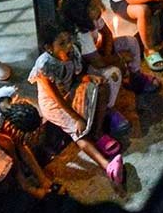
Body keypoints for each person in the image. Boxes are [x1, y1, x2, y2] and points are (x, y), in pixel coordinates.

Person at [28, 21, 124, 188]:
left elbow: (77, 76)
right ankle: (107, 166)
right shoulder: (45, 65)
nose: (68, 45)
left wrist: (89, 78)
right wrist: (76, 117)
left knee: (102, 88)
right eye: (62, 43)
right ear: (49, 47)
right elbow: (55, 96)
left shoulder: (73, 52)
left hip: (70, 90)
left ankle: (98, 133)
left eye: (68, 40)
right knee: (77, 129)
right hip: (54, 104)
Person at [59, 0, 160, 97]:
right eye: (93, 7)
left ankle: (135, 78)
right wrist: (119, 59)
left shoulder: (92, 18)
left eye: (98, 4)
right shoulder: (81, 35)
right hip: (86, 68)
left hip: (97, 54)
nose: (99, 9)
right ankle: (108, 108)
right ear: (79, 13)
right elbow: (98, 63)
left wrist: (108, 52)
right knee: (113, 74)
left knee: (131, 42)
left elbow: (107, 33)